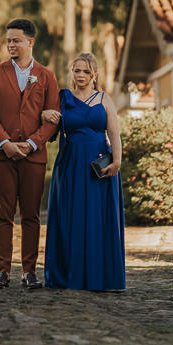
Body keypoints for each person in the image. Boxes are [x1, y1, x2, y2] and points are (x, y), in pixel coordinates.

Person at [0, 18, 60, 289]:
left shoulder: (47, 76)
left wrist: (31, 144)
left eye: (16, 40)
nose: (11, 45)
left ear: (30, 42)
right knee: (3, 216)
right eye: (8, 41)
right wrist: (5, 143)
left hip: (33, 157)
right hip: (0, 157)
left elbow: (53, 118)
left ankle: (29, 271)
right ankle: (2, 271)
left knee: (31, 215)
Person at [41, 52, 126, 291]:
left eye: (86, 71)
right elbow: (48, 121)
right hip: (70, 165)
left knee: (99, 219)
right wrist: (43, 114)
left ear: (94, 75)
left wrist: (117, 162)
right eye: (77, 70)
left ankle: (101, 277)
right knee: (72, 218)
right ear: (72, 73)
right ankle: (70, 275)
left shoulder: (104, 99)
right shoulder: (63, 98)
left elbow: (114, 133)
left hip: (100, 166)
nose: (80, 75)